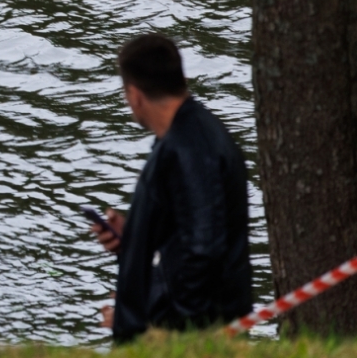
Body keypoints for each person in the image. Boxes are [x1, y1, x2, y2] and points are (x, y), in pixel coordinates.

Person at [86, 34, 251, 340]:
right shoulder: (190, 136)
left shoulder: (190, 152)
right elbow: (191, 232)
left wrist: (156, 324)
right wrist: (134, 235)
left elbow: (203, 254)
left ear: (134, 95)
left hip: (193, 334)